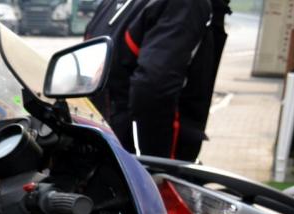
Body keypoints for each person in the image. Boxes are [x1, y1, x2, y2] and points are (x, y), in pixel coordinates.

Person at [85, 0, 230, 162]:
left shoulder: (110, 4)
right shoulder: (185, 4)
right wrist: (158, 162)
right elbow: (153, 88)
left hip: (102, 145)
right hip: (135, 155)